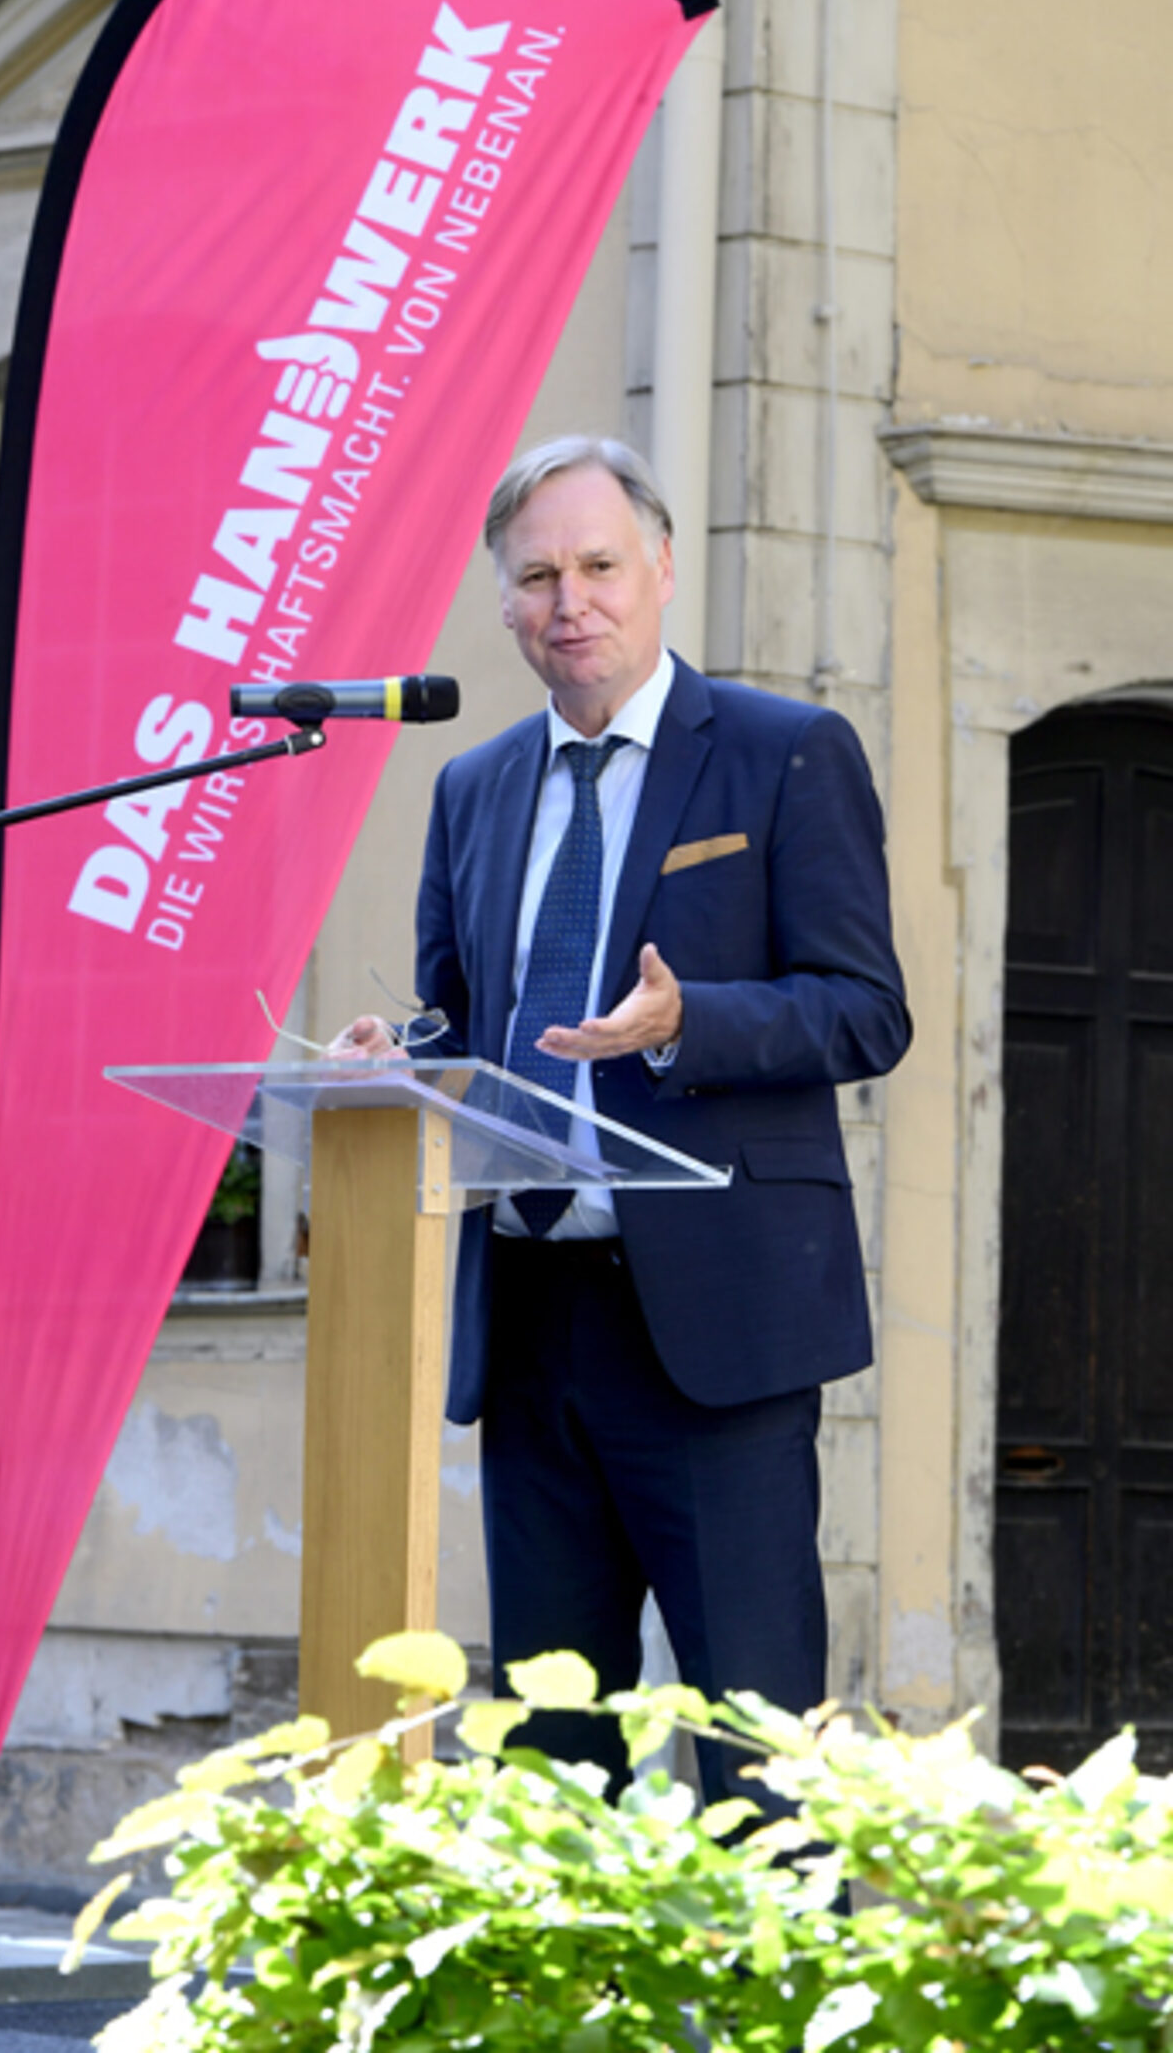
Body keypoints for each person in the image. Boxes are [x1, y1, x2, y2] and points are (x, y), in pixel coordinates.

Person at [336, 435, 910, 1799]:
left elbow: (864, 1010)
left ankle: (774, 2013)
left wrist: (690, 1019)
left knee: (756, 1758)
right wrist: (398, 1054)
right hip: (532, 1323)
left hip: (714, 1335)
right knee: (548, 1759)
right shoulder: (471, 790)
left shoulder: (781, 755)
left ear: (660, 568)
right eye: (536, 575)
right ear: (503, 602)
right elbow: (466, 1017)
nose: (569, 600)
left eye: (598, 565)